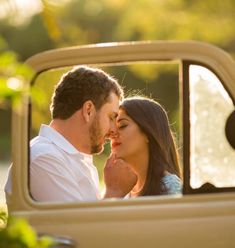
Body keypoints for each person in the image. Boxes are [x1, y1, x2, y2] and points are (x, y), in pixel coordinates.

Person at [5, 66, 137, 202]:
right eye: (111, 117)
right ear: (88, 110)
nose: (114, 130)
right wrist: (114, 192)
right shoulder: (43, 158)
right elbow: (77, 223)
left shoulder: (75, 160)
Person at [110, 96, 182, 197]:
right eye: (112, 128)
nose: (112, 134)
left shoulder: (170, 188)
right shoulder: (123, 192)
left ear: (148, 133)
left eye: (122, 126)